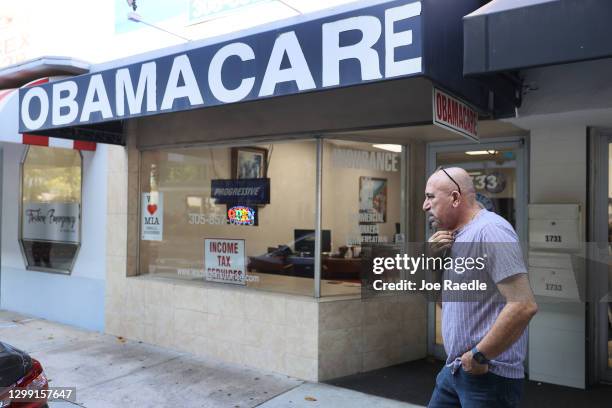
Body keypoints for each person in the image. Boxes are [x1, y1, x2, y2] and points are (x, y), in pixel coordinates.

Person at [423, 167, 538, 408]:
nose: (425, 205)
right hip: (454, 370)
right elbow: (444, 301)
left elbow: (524, 305)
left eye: (430, 197)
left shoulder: (491, 231)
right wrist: (433, 262)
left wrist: (478, 356)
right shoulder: (454, 237)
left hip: (487, 373)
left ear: (455, 198)